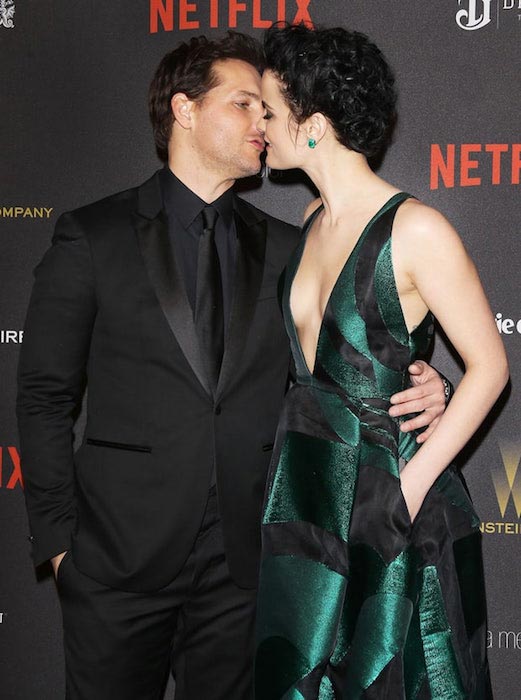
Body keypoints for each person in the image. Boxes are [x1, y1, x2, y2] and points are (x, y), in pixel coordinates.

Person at [17, 32, 447, 700]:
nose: (264, 122)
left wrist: (424, 379)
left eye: (266, 108)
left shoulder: (288, 246)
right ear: (185, 110)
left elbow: (338, 361)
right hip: (116, 564)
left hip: (246, 569)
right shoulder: (93, 236)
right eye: (245, 104)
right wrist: (60, 548)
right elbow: (44, 395)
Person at [254, 23, 508, 700]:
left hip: (388, 490)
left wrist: (410, 485)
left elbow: (488, 366)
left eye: (270, 110)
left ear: (312, 125)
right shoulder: (309, 219)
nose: (260, 124)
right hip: (305, 490)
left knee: (393, 674)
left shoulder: (417, 230)